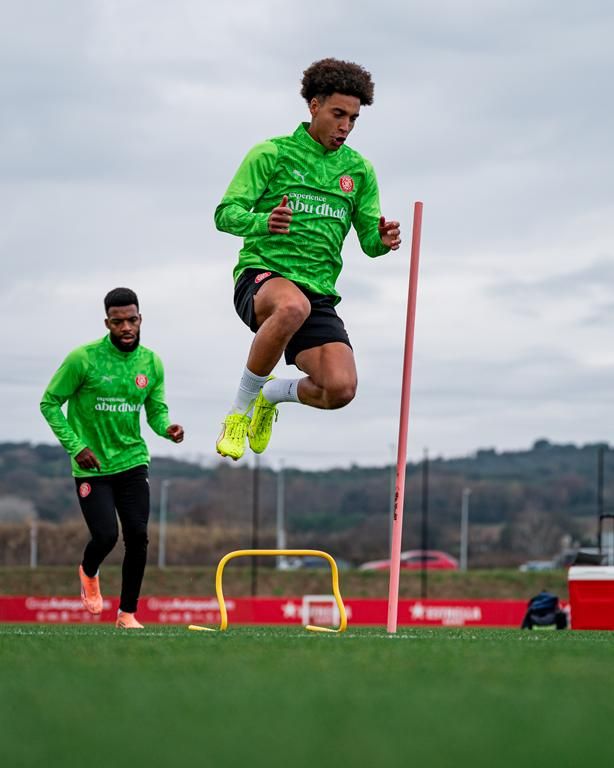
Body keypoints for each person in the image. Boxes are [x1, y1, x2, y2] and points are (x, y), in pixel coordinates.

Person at [214, 57, 401, 461]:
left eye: (353, 118)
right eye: (338, 114)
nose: (345, 127)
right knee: (291, 304)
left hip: (317, 293)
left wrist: (382, 240)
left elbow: (368, 240)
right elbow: (224, 215)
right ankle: (238, 412)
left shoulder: (359, 171)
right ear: (314, 106)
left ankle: (272, 394)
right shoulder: (271, 153)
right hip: (264, 277)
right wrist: (264, 221)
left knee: (340, 389)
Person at [40, 288, 184, 629]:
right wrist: (76, 446)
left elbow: (155, 411)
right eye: (118, 322)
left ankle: (127, 614)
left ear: (140, 319)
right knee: (105, 536)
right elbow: (49, 403)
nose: (126, 327)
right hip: (92, 465)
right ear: (107, 322)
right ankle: (89, 572)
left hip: (133, 460)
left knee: (137, 535)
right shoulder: (83, 359)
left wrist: (167, 429)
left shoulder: (151, 363)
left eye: (132, 320)